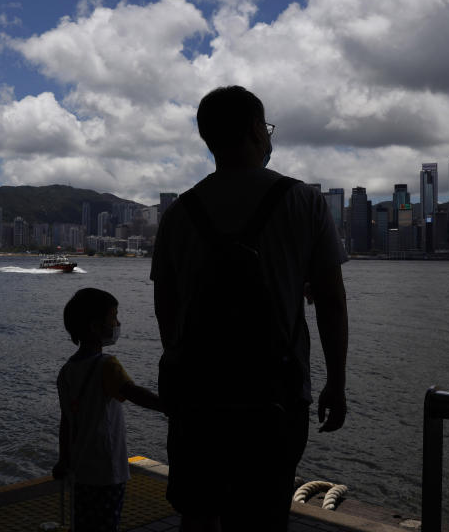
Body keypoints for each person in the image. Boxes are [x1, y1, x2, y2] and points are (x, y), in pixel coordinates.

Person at [150, 85, 350, 532]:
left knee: (199, 513)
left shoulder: (179, 214)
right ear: (257, 131)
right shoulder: (304, 201)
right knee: (263, 514)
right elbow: (332, 305)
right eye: (267, 126)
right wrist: (336, 384)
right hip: (275, 397)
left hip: (197, 398)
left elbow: (167, 312)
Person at [53, 287, 161, 532]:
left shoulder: (66, 371)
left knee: (84, 523)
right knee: (107, 523)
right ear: (94, 326)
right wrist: (169, 406)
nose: (117, 323)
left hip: (81, 469)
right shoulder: (107, 365)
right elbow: (134, 393)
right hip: (107, 469)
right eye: (113, 317)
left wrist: (63, 460)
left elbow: (66, 422)